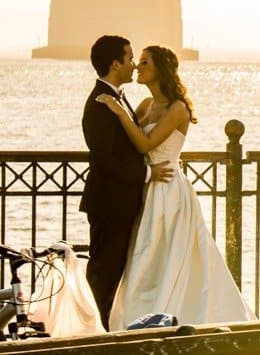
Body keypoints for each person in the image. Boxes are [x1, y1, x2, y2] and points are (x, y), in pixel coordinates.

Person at [95, 45, 255, 328]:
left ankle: (171, 313)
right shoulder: (144, 105)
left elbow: (146, 143)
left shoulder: (177, 108)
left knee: (165, 255)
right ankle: (138, 319)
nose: (137, 67)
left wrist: (120, 113)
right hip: (147, 186)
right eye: (137, 61)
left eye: (144, 63)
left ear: (160, 70)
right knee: (143, 257)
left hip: (168, 189)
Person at [80, 35, 174, 331]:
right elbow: (107, 160)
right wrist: (148, 175)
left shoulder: (117, 97)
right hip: (109, 203)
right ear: (115, 63)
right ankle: (96, 335)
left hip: (122, 202)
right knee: (103, 273)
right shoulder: (99, 104)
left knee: (115, 273)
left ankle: (108, 328)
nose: (134, 65)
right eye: (130, 59)